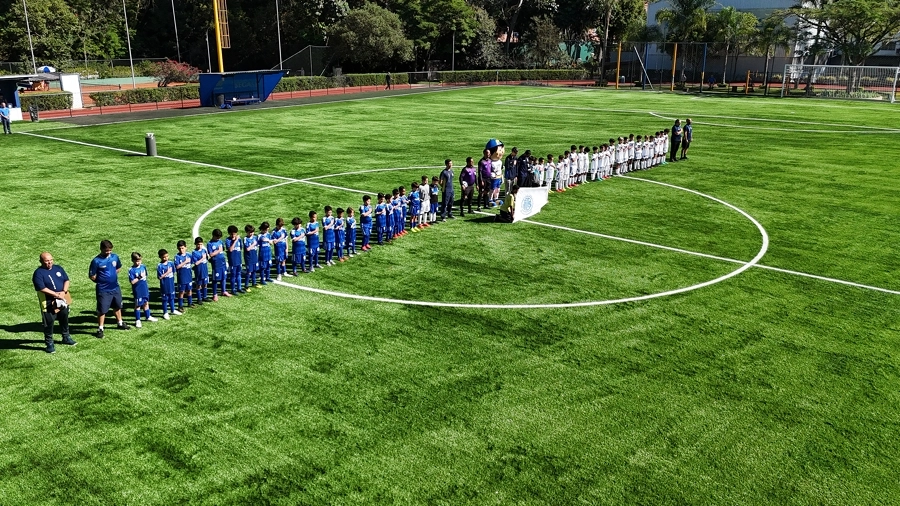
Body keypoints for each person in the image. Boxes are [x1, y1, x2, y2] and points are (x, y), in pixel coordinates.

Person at [32, 252, 76, 353]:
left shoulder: (58, 268)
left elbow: (66, 280)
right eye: (46, 261)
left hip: (62, 298)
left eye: (51, 260)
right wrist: (56, 294)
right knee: (49, 323)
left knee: (64, 318)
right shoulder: (38, 273)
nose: (49, 262)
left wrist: (63, 292)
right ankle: (49, 343)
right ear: (41, 261)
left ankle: (66, 337)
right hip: (48, 302)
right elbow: (41, 288)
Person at [88, 239, 130, 338]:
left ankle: (120, 323)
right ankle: (100, 328)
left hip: (115, 287)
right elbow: (92, 275)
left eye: (110, 250)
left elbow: (118, 267)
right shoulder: (96, 261)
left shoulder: (115, 257)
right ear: (101, 249)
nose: (108, 252)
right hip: (103, 290)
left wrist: (112, 276)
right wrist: (102, 281)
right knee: (102, 310)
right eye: (106, 250)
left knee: (117, 306)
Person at [128, 252, 158, 328]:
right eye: (137, 261)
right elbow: (132, 282)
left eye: (139, 260)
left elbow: (145, 277)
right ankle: (137, 320)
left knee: (146, 302)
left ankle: (148, 316)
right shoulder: (131, 270)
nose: (138, 262)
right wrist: (139, 277)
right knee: (138, 305)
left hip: (144, 288)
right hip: (138, 290)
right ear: (133, 260)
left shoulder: (143, 267)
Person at [156, 249, 180, 319]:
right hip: (164, 285)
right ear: (160, 257)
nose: (165, 258)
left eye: (166, 256)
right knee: (165, 299)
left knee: (172, 297)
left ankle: (173, 310)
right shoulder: (160, 266)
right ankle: (165, 312)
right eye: (164, 257)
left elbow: (174, 272)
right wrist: (167, 272)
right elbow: (159, 277)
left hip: (171, 284)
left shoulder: (171, 263)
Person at [207, 228, 229, 300]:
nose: (218, 239)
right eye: (217, 237)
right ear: (213, 235)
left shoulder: (220, 241)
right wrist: (218, 250)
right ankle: (215, 294)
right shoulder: (210, 244)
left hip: (222, 262)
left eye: (219, 237)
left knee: (224, 278)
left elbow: (223, 249)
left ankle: (224, 291)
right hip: (216, 264)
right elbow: (211, 254)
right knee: (215, 279)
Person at [174, 240, 193, 310]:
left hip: (189, 276)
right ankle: (180, 305)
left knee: (189, 290)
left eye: (182, 248)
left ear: (186, 247)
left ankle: (190, 303)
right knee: (181, 291)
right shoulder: (177, 257)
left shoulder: (189, 255)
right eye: (179, 248)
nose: (181, 250)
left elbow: (194, 262)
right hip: (181, 277)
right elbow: (177, 267)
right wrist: (185, 262)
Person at [225, 225, 244, 294]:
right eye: (232, 234)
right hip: (232, 261)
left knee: (239, 274)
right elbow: (230, 249)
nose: (233, 235)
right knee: (233, 275)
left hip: (239, 260)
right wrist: (235, 241)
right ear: (229, 233)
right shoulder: (228, 240)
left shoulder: (239, 239)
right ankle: (233, 289)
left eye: (235, 234)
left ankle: (239, 288)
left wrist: (237, 240)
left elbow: (241, 248)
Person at [192, 237, 209, 302]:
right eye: (198, 244)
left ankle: (205, 297)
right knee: (198, 285)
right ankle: (199, 299)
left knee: (205, 284)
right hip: (199, 271)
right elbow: (196, 263)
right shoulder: (194, 252)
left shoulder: (204, 250)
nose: (200, 246)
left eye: (201, 244)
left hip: (205, 270)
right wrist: (202, 258)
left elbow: (206, 259)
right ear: (195, 244)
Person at [242, 224, 259, 288]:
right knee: (249, 272)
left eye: (252, 232)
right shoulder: (245, 239)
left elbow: (257, 246)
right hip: (249, 258)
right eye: (250, 232)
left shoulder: (255, 237)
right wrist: (253, 244)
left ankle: (254, 283)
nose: (251, 234)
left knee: (254, 270)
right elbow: (247, 249)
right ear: (247, 232)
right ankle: (246, 285)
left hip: (254, 256)